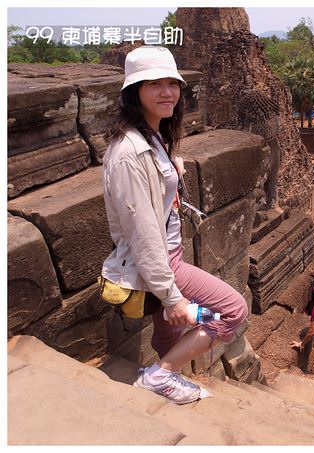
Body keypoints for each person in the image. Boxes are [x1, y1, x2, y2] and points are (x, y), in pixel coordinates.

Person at [101, 46, 248, 404]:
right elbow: (143, 233)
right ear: (134, 91)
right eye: (154, 84)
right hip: (163, 262)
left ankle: (167, 375)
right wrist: (171, 295)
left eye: (172, 83)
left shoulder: (154, 137)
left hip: (169, 254)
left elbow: (154, 203)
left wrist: (171, 171)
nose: (167, 92)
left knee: (168, 334)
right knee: (232, 311)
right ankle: (161, 374)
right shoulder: (129, 154)